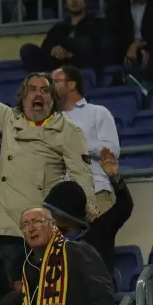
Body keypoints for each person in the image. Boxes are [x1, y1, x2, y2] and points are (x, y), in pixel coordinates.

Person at [0, 64, 97, 281]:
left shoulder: (68, 131)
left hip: (30, 232)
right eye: (32, 89)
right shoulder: (9, 119)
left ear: (53, 99)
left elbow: (82, 174)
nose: (38, 94)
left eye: (44, 90)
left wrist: (89, 204)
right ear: (23, 97)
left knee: (24, 293)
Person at [42, 149, 132, 271]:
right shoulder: (48, 238)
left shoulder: (99, 230)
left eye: (53, 212)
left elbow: (125, 206)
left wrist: (115, 178)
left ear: (67, 215)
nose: (50, 217)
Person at [51, 65, 121, 214]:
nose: (49, 86)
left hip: (96, 193)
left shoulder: (98, 113)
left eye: (55, 81)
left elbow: (112, 151)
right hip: (59, 200)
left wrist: (77, 144)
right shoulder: (49, 120)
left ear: (71, 85)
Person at [19, 0, 103, 75]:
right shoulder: (58, 28)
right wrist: (54, 51)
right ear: (66, 3)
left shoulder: (96, 24)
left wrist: (69, 54)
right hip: (57, 66)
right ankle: (45, 80)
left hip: (80, 65)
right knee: (27, 50)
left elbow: (96, 49)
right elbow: (46, 48)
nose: (74, 1)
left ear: (85, 2)